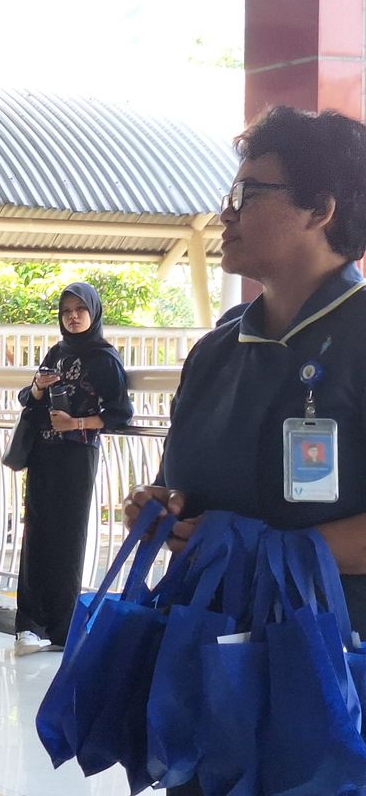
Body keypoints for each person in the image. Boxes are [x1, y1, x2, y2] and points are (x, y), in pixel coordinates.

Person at [123, 107, 366, 796]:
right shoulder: (218, 350)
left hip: (333, 671)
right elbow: (187, 484)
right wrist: (165, 506)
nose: (225, 214)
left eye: (249, 195)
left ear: (321, 209)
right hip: (210, 659)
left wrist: (264, 549)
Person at [14, 283, 132, 656]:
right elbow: (26, 399)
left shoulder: (105, 359)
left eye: (80, 309)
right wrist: (37, 388)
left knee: (68, 538)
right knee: (35, 536)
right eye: (66, 311)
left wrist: (76, 424)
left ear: (94, 313)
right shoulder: (57, 352)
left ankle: (62, 629)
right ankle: (29, 626)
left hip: (77, 457)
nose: (73, 316)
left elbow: (120, 415)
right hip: (43, 454)